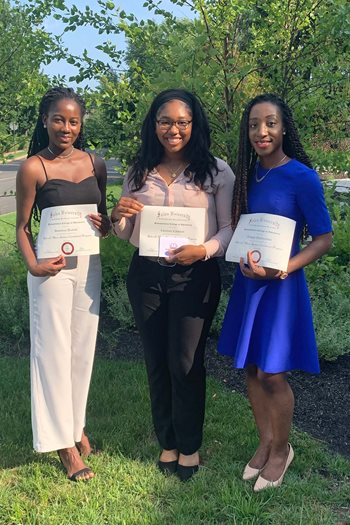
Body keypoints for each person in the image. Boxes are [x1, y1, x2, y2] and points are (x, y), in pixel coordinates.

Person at [111, 88, 235, 481]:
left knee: (185, 362)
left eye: (182, 121)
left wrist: (204, 250)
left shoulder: (217, 171)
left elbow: (231, 227)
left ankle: (190, 446)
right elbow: (125, 233)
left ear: (194, 125)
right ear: (154, 125)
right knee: (156, 361)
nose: (174, 129)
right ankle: (167, 440)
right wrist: (119, 215)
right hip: (146, 274)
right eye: (165, 121)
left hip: (195, 276)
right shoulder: (138, 170)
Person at [218, 93, 332, 491]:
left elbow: (324, 238)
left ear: (284, 128)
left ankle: (283, 449)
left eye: (269, 123)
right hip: (250, 284)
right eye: (253, 124)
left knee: (272, 372)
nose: (261, 131)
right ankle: (265, 441)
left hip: (282, 288)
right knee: (251, 367)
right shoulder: (247, 175)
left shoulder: (302, 176)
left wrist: (286, 266)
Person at [16, 86, 110, 481]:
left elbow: (103, 221)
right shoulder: (34, 167)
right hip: (50, 271)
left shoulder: (96, 163)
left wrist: (107, 227)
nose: (66, 127)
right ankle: (64, 447)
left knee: (80, 352)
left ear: (80, 123)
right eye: (58, 119)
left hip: (88, 266)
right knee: (52, 354)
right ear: (45, 121)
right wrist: (34, 264)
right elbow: (20, 227)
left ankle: (75, 426)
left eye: (73, 120)